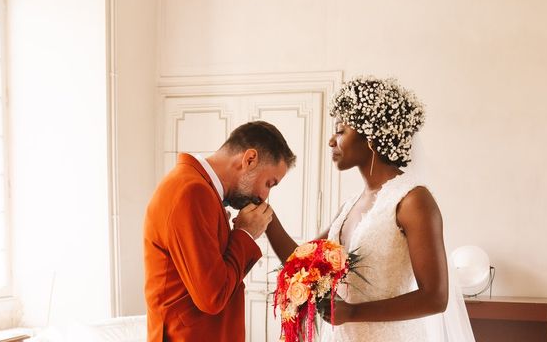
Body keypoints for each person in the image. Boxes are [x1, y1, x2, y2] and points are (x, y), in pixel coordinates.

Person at [266, 76, 475, 341]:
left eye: (341, 130)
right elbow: (301, 263)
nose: (332, 141)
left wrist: (353, 312)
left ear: (371, 136)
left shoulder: (413, 201)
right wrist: (266, 216)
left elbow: (435, 297)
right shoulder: (349, 205)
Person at [144, 121, 296, 342]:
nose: (265, 196)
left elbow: (219, 279)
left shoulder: (201, 190)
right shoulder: (192, 191)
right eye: (269, 183)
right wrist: (244, 234)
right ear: (249, 159)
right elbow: (213, 297)